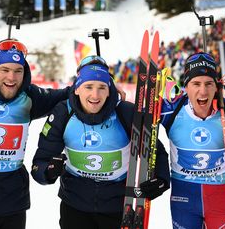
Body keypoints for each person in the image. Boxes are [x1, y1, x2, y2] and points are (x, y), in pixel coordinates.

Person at [30, 55, 170, 229]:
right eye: (88, 86)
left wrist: (162, 179)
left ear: (110, 90)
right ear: (76, 89)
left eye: (102, 87)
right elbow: (40, 163)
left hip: (118, 207)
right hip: (74, 207)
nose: (95, 95)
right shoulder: (62, 114)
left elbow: (156, 149)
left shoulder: (126, 112)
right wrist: (48, 171)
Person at [0, 39, 74, 229]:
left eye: (18, 71)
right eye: (5, 70)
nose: (11, 78)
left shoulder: (31, 96)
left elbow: (70, 94)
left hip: (13, 199)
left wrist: (108, 88)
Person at [160, 52, 225, 229]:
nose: (203, 91)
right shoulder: (170, 111)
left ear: (217, 86)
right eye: (196, 84)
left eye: (209, 83)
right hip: (183, 200)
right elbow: (139, 126)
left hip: (221, 200)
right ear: (186, 86)